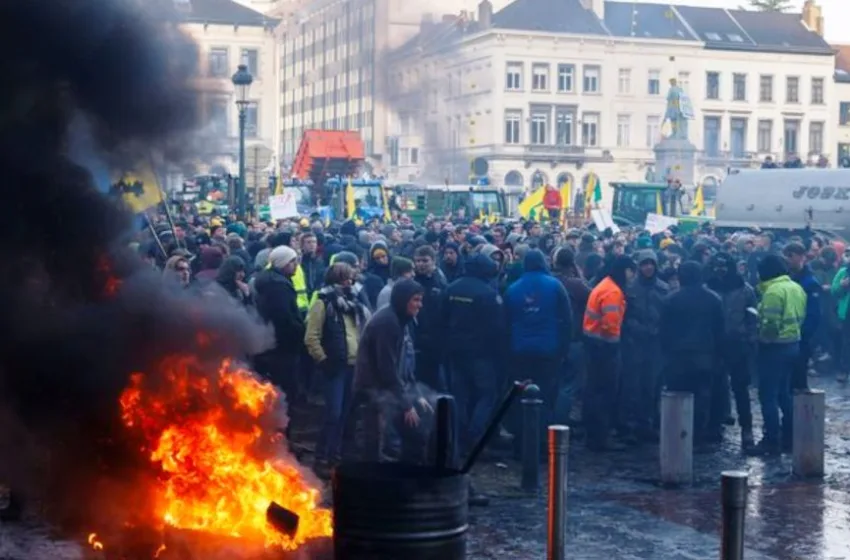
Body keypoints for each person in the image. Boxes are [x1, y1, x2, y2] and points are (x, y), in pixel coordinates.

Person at [354, 279, 432, 463]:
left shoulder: (400, 320)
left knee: (415, 426)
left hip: (389, 387)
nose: (419, 305)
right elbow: (387, 368)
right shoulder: (387, 323)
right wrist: (406, 405)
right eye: (415, 300)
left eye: (420, 300)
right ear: (403, 299)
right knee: (373, 438)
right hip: (373, 388)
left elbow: (404, 362)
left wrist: (417, 393)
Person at [304, 263, 370, 477]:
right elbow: (311, 337)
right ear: (335, 279)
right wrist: (323, 361)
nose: (349, 282)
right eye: (345, 278)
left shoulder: (355, 303)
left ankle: (336, 455)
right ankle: (322, 457)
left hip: (353, 366)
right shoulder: (323, 303)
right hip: (334, 368)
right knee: (333, 413)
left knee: (344, 414)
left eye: (351, 278)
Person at [504, 249, 572, 453]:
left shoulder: (513, 289)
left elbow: (505, 323)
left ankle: (521, 443)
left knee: (521, 396)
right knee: (545, 397)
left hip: (519, 352)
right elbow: (567, 321)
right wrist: (563, 350)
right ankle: (542, 443)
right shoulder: (555, 286)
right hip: (548, 352)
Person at [442, 253, 506, 459]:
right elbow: (497, 329)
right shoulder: (488, 293)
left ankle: (459, 439)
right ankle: (475, 438)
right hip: (481, 355)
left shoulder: (451, 288)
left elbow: (440, 318)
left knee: (460, 396)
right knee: (487, 395)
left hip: (454, 351)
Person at [661, 261, 724, 443]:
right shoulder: (714, 299)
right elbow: (720, 331)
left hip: (677, 357)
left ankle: (677, 432)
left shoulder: (671, 299)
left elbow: (664, 331)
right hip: (704, 356)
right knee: (702, 396)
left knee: (677, 396)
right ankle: (698, 434)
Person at [753, 254, 806, 455]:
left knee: (768, 395)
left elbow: (771, 324)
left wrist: (762, 339)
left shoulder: (773, 292)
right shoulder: (796, 287)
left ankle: (771, 440)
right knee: (784, 393)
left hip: (774, 348)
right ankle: (789, 437)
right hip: (793, 345)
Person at [583, 255, 635, 451]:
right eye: (631, 271)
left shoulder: (604, 284)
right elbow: (610, 324)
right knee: (605, 393)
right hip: (604, 348)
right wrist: (615, 346)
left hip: (593, 344)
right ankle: (600, 437)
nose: (632, 276)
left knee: (593, 391)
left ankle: (593, 434)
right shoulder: (613, 291)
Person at [706, 252, 758, 451]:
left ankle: (747, 430)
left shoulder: (746, 290)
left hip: (738, 345)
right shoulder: (709, 288)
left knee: (741, 390)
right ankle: (714, 426)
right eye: (717, 267)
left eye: (724, 267)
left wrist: (750, 340)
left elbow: (753, 318)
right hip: (716, 346)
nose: (721, 271)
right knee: (716, 388)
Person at [253, 246, 305, 427]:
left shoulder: (270, 281)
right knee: (284, 393)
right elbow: (284, 318)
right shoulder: (278, 286)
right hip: (283, 348)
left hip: (273, 345)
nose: (296, 265)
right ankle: (282, 435)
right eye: (292, 261)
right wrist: (300, 329)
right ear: (283, 263)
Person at [621, 249, 669, 443]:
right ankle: (630, 424)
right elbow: (625, 316)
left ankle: (647, 422)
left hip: (655, 344)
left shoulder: (664, 289)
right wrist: (636, 328)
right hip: (635, 342)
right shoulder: (630, 289)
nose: (648, 267)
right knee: (632, 385)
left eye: (651, 263)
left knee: (652, 385)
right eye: (644, 264)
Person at [783, 242, 820, 390]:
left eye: (791, 256)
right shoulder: (785, 278)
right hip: (786, 336)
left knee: (799, 376)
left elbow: (814, 314)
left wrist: (805, 334)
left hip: (801, 337)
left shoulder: (809, 282)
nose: (788, 259)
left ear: (801, 257)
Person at [412, 245, 447, 391]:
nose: (421, 264)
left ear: (433, 261)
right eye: (418, 261)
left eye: (425, 261)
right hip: (418, 337)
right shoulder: (412, 282)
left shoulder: (440, 280)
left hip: (437, 337)